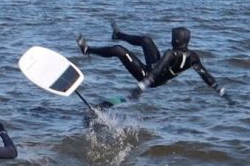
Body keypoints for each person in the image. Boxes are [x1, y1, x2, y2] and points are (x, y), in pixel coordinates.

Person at [76, 22, 233, 104]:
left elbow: (157, 70)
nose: (170, 39)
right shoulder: (193, 56)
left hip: (148, 76)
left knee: (119, 50)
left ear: (176, 40)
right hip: (157, 71)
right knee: (146, 40)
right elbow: (206, 76)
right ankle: (118, 34)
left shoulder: (170, 54)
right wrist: (221, 92)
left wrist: (141, 87)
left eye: (172, 37)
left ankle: (87, 50)